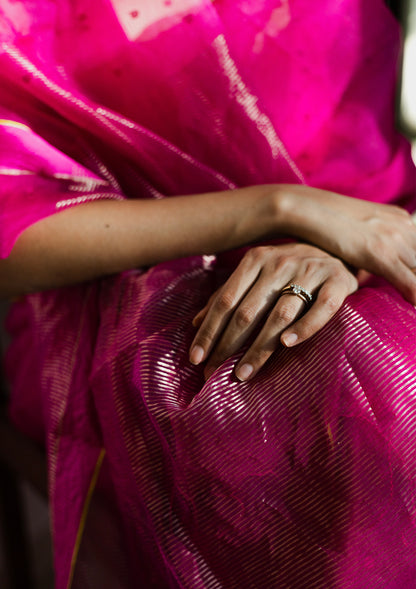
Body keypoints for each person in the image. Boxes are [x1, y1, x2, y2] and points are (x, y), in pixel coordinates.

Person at [1, 0, 416, 587]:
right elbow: (9, 242)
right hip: (125, 285)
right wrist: (282, 210)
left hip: (377, 228)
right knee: (338, 370)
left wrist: (349, 248)